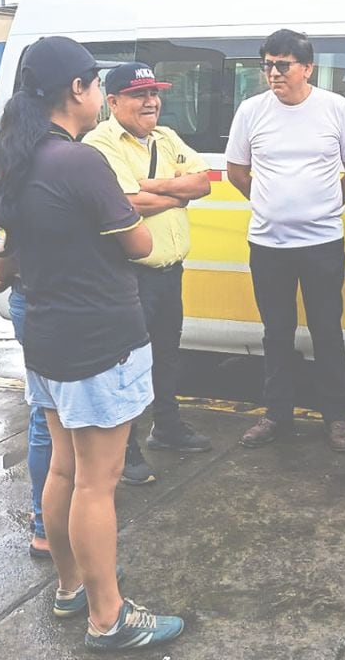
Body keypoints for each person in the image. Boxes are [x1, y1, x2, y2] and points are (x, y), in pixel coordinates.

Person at [0, 35, 182, 649]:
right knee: (99, 481)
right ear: (78, 89)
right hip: (99, 339)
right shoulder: (77, 160)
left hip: (47, 337)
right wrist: (158, 200)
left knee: (65, 470)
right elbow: (140, 244)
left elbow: (13, 253)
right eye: (98, 85)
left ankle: (71, 587)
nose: (99, 95)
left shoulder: (18, 160)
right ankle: (109, 615)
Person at [225, 28, 345, 452]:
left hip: (322, 243)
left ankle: (337, 418)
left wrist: (325, 205)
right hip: (269, 244)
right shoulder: (251, 112)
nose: (273, 73)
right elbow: (237, 171)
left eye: (282, 65)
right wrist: (269, 203)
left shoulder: (335, 109)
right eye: (267, 64)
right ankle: (276, 414)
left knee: (327, 330)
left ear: (307, 68)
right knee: (276, 332)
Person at [83, 62, 214, 482]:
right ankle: (127, 450)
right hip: (129, 274)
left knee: (166, 356)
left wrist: (151, 185)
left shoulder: (165, 136)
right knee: (127, 364)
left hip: (169, 271)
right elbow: (126, 204)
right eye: (139, 95)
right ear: (114, 101)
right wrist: (175, 192)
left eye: (154, 93)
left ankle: (167, 426)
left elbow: (203, 182)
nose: (151, 101)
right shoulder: (101, 143)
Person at [0, 208, 52, 560]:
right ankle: (52, 526)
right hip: (64, 303)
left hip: (27, 294)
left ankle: (46, 526)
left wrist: (3, 272)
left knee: (45, 414)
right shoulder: (79, 165)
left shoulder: (11, 173)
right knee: (60, 421)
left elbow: (7, 252)